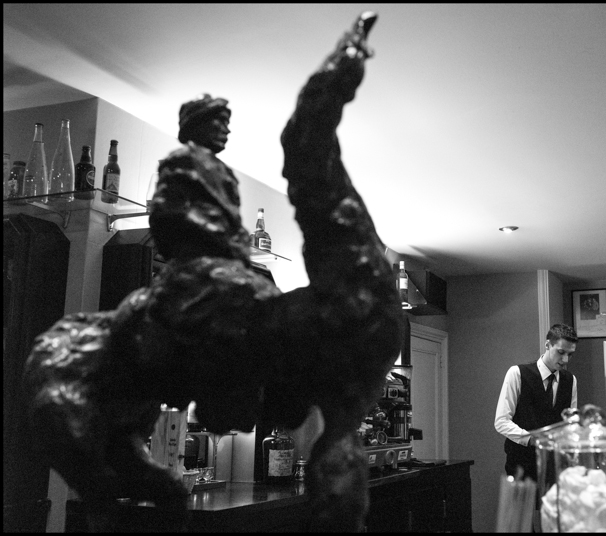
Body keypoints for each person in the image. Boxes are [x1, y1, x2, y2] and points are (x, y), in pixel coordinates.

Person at [23, 11, 402, 533]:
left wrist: (238, 250)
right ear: (196, 126)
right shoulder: (181, 164)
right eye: (217, 120)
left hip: (224, 256)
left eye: (226, 120)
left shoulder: (223, 172)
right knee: (235, 303)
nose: (225, 127)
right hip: (198, 262)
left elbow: (228, 224)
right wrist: (226, 249)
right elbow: (174, 217)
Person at [494, 323, 579, 481]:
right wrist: (532, 439)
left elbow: (570, 424)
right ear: (547, 345)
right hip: (521, 466)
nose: (565, 360)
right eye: (561, 352)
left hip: (555, 467)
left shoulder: (570, 380)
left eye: (570, 354)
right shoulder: (517, 373)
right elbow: (501, 421)